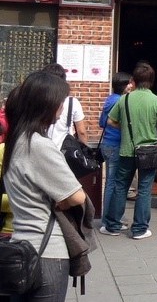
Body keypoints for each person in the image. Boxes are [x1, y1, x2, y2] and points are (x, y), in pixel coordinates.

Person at [1, 71, 86, 301]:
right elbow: (77, 196)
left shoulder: (16, 140)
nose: (62, 108)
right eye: (60, 101)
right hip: (46, 252)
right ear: (47, 104)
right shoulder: (38, 145)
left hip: (21, 244)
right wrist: (62, 202)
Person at [102, 62, 157, 240]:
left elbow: (110, 121)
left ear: (133, 80)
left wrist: (126, 129)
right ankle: (140, 229)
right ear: (152, 81)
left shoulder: (124, 99)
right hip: (149, 151)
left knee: (120, 187)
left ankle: (113, 226)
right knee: (144, 189)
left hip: (127, 150)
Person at [99, 72, 132, 231]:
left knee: (110, 183)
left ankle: (111, 218)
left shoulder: (109, 99)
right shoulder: (120, 101)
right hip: (116, 144)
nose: (131, 86)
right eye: (129, 83)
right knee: (113, 183)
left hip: (107, 143)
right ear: (123, 85)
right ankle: (109, 220)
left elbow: (102, 123)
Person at [42, 63, 88, 148]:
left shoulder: (38, 99)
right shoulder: (72, 102)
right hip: (65, 150)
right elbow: (81, 132)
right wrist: (84, 150)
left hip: (42, 147)